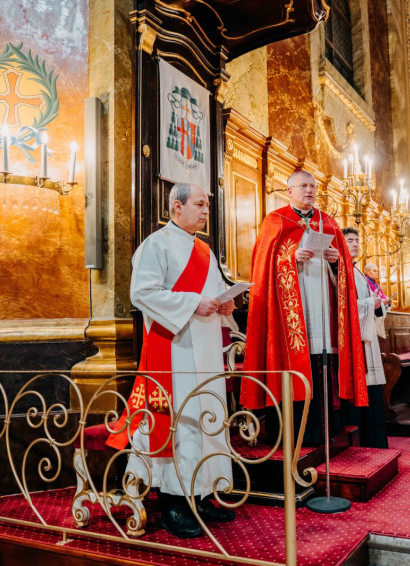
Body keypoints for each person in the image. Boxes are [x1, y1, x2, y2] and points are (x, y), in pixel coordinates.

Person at [111, 183, 235, 538]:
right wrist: (193, 303)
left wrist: (225, 304)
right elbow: (142, 293)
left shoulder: (205, 250)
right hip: (174, 349)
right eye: (200, 204)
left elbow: (212, 295)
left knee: (207, 420)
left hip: (205, 349)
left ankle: (203, 493)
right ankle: (173, 503)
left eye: (208, 205)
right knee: (182, 423)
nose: (206, 210)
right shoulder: (156, 245)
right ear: (176, 207)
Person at [240, 170, 368, 445]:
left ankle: (326, 430)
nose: (309, 190)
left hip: (322, 308)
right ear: (290, 191)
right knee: (295, 364)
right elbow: (262, 268)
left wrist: (336, 260)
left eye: (312, 186)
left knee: (323, 364)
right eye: (303, 186)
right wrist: (290, 258)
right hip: (289, 314)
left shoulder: (328, 222)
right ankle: (291, 433)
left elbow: (345, 270)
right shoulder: (275, 221)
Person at [341, 227, 388, 448]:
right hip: (355, 340)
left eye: (357, 241)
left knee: (372, 390)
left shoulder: (357, 271)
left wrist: (376, 305)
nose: (355, 244)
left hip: (365, 336)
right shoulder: (341, 270)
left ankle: (375, 440)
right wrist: (371, 303)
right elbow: (342, 306)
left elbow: (366, 301)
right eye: (349, 240)